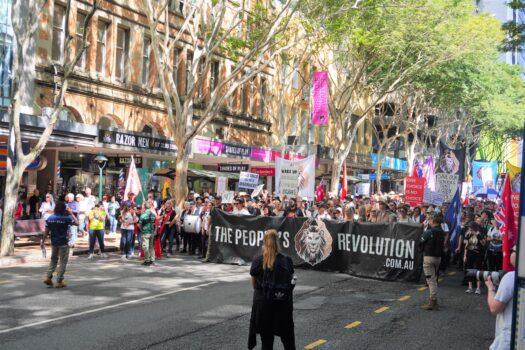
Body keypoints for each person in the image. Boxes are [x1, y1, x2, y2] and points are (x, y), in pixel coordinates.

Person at [248, 229, 296, 350]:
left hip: (264, 305)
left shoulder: (258, 260)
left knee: (267, 342)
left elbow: (254, 285)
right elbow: (289, 282)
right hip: (282, 304)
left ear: (264, 243)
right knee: (288, 340)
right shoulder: (287, 260)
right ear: (278, 243)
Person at [41, 201, 78, 288]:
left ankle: (48, 277)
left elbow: (46, 231)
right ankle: (59, 281)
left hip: (54, 242)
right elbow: (77, 223)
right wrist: (71, 213)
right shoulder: (66, 218)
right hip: (64, 243)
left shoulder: (50, 218)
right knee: (63, 262)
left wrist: (43, 241)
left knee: (53, 260)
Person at [485, 245, 516, 350]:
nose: (511, 253)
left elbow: (494, 308)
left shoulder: (512, 278)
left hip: (509, 338)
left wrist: (490, 289)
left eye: (513, 250)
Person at [419, 213, 445, 310]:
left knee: (431, 280)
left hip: (429, 257)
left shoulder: (429, 232)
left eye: (429, 220)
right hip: (438, 258)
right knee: (434, 278)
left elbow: (421, 241)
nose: (428, 221)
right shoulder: (442, 231)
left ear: (433, 221)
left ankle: (432, 301)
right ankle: (434, 301)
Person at [464, 221, 486, 294]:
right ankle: (470, 287)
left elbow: (483, 243)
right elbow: (466, 245)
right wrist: (465, 255)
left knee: (478, 270)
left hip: (478, 254)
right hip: (470, 254)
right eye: (469, 227)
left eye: (470, 227)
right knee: (469, 270)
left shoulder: (480, 234)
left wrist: (477, 235)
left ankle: (478, 288)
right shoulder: (468, 234)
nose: (469, 228)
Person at [140, 201, 157, 266]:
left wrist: (142, 230)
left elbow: (140, 225)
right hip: (151, 232)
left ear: (144, 207)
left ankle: (147, 260)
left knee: (145, 247)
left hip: (145, 232)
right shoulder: (152, 215)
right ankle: (152, 260)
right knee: (151, 246)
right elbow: (154, 223)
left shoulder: (143, 215)